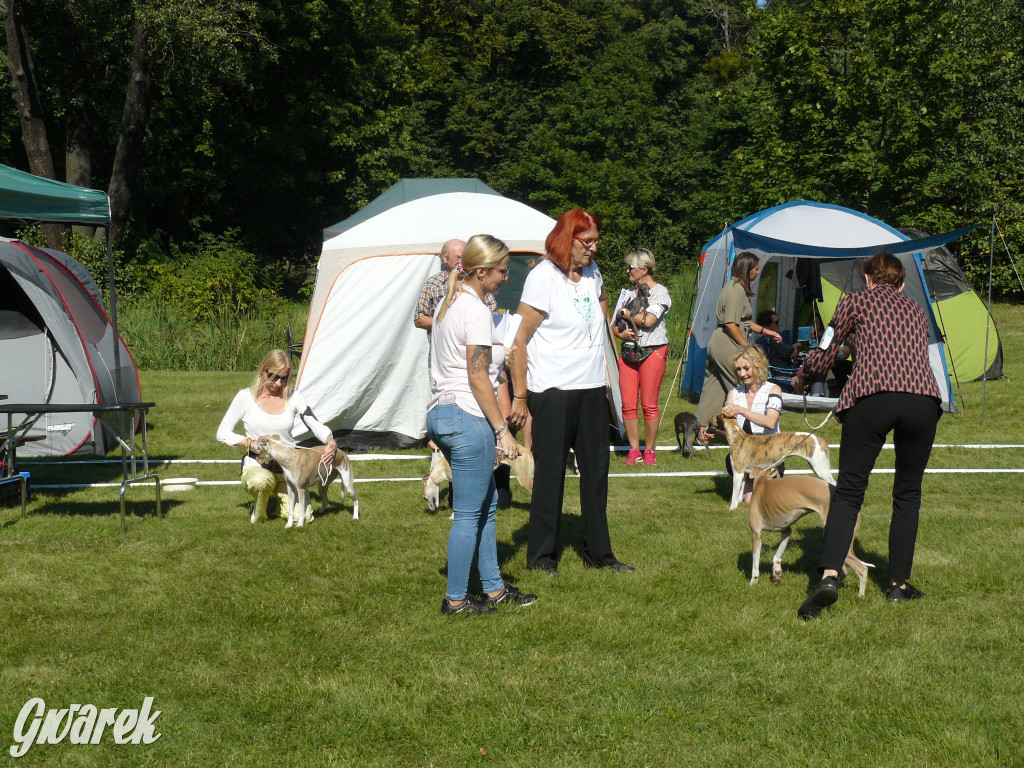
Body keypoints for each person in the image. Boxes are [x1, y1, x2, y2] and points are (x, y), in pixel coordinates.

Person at [793, 250, 942, 620]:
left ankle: (829, 577)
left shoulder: (854, 301)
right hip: (923, 399)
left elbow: (826, 350)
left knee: (850, 491)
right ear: (902, 282)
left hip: (872, 395)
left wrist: (804, 376)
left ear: (867, 279)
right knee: (908, 493)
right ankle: (898, 585)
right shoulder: (916, 309)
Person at [508, 207, 634, 577]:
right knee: (550, 475)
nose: (594, 248)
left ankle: (600, 553)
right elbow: (519, 338)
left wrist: (610, 357)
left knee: (596, 472)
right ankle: (542, 557)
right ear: (567, 239)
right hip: (553, 390)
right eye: (587, 241)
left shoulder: (593, 273)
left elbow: (600, 317)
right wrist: (520, 394)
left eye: (597, 241)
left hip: (592, 387)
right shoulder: (543, 277)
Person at [427, 234, 537, 615]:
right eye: (503, 272)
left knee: (487, 505)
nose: (507, 278)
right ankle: (455, 598)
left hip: (444, 411)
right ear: (481, 271)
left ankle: (493, 589)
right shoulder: (473, 310)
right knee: (470, 514)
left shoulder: (448, 302)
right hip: (467, 415)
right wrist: (501, 429)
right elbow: (476, 377)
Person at [217, 349, 337, 523]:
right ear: (263, 371)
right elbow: (222, 432)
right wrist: (250, 444)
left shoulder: (294, 397)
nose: (279, 383)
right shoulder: (245, 397)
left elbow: (314, 423)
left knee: (302, 518)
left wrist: (330, 440)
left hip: (289, 469)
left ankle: (277, 503)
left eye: (285, 378)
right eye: (273, 376)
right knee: (261, 482)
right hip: (257, 464)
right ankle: (261, 506)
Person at [695, 252, 781, 441]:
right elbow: (730, 324)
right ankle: (748, 432)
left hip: (718, 342)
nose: (758, 272)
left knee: (713, 390)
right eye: (756, 269)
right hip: (726, 342)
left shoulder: (737, 288)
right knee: (742, 384)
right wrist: (746, 348)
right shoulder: (734, 290)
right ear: (747, 269)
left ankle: (699, 434)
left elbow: (745, 322)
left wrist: (766, 332)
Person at [611, 248, 672, 465]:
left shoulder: (661, 293)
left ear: (644, 270)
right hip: (628, 351)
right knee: (627, 404)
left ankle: (649, 451)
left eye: (632, 267)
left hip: (653, 350)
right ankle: (633, 449)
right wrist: (622, 332)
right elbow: (613, 328)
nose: (628, 270)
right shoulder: (627, 293)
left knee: (649, 404)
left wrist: (626, 314)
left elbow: (648, 322)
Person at [723, 344, 783, 502]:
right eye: (738, 369)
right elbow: (731, 431)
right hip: (745, 457)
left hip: (769, 455)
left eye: (746, 368)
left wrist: (741, 410)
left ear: (758, 365)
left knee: (763, 500)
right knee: (749, 500)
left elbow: (771, 422)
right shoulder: (733, 394)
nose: (742, 374)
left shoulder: (773, 390)